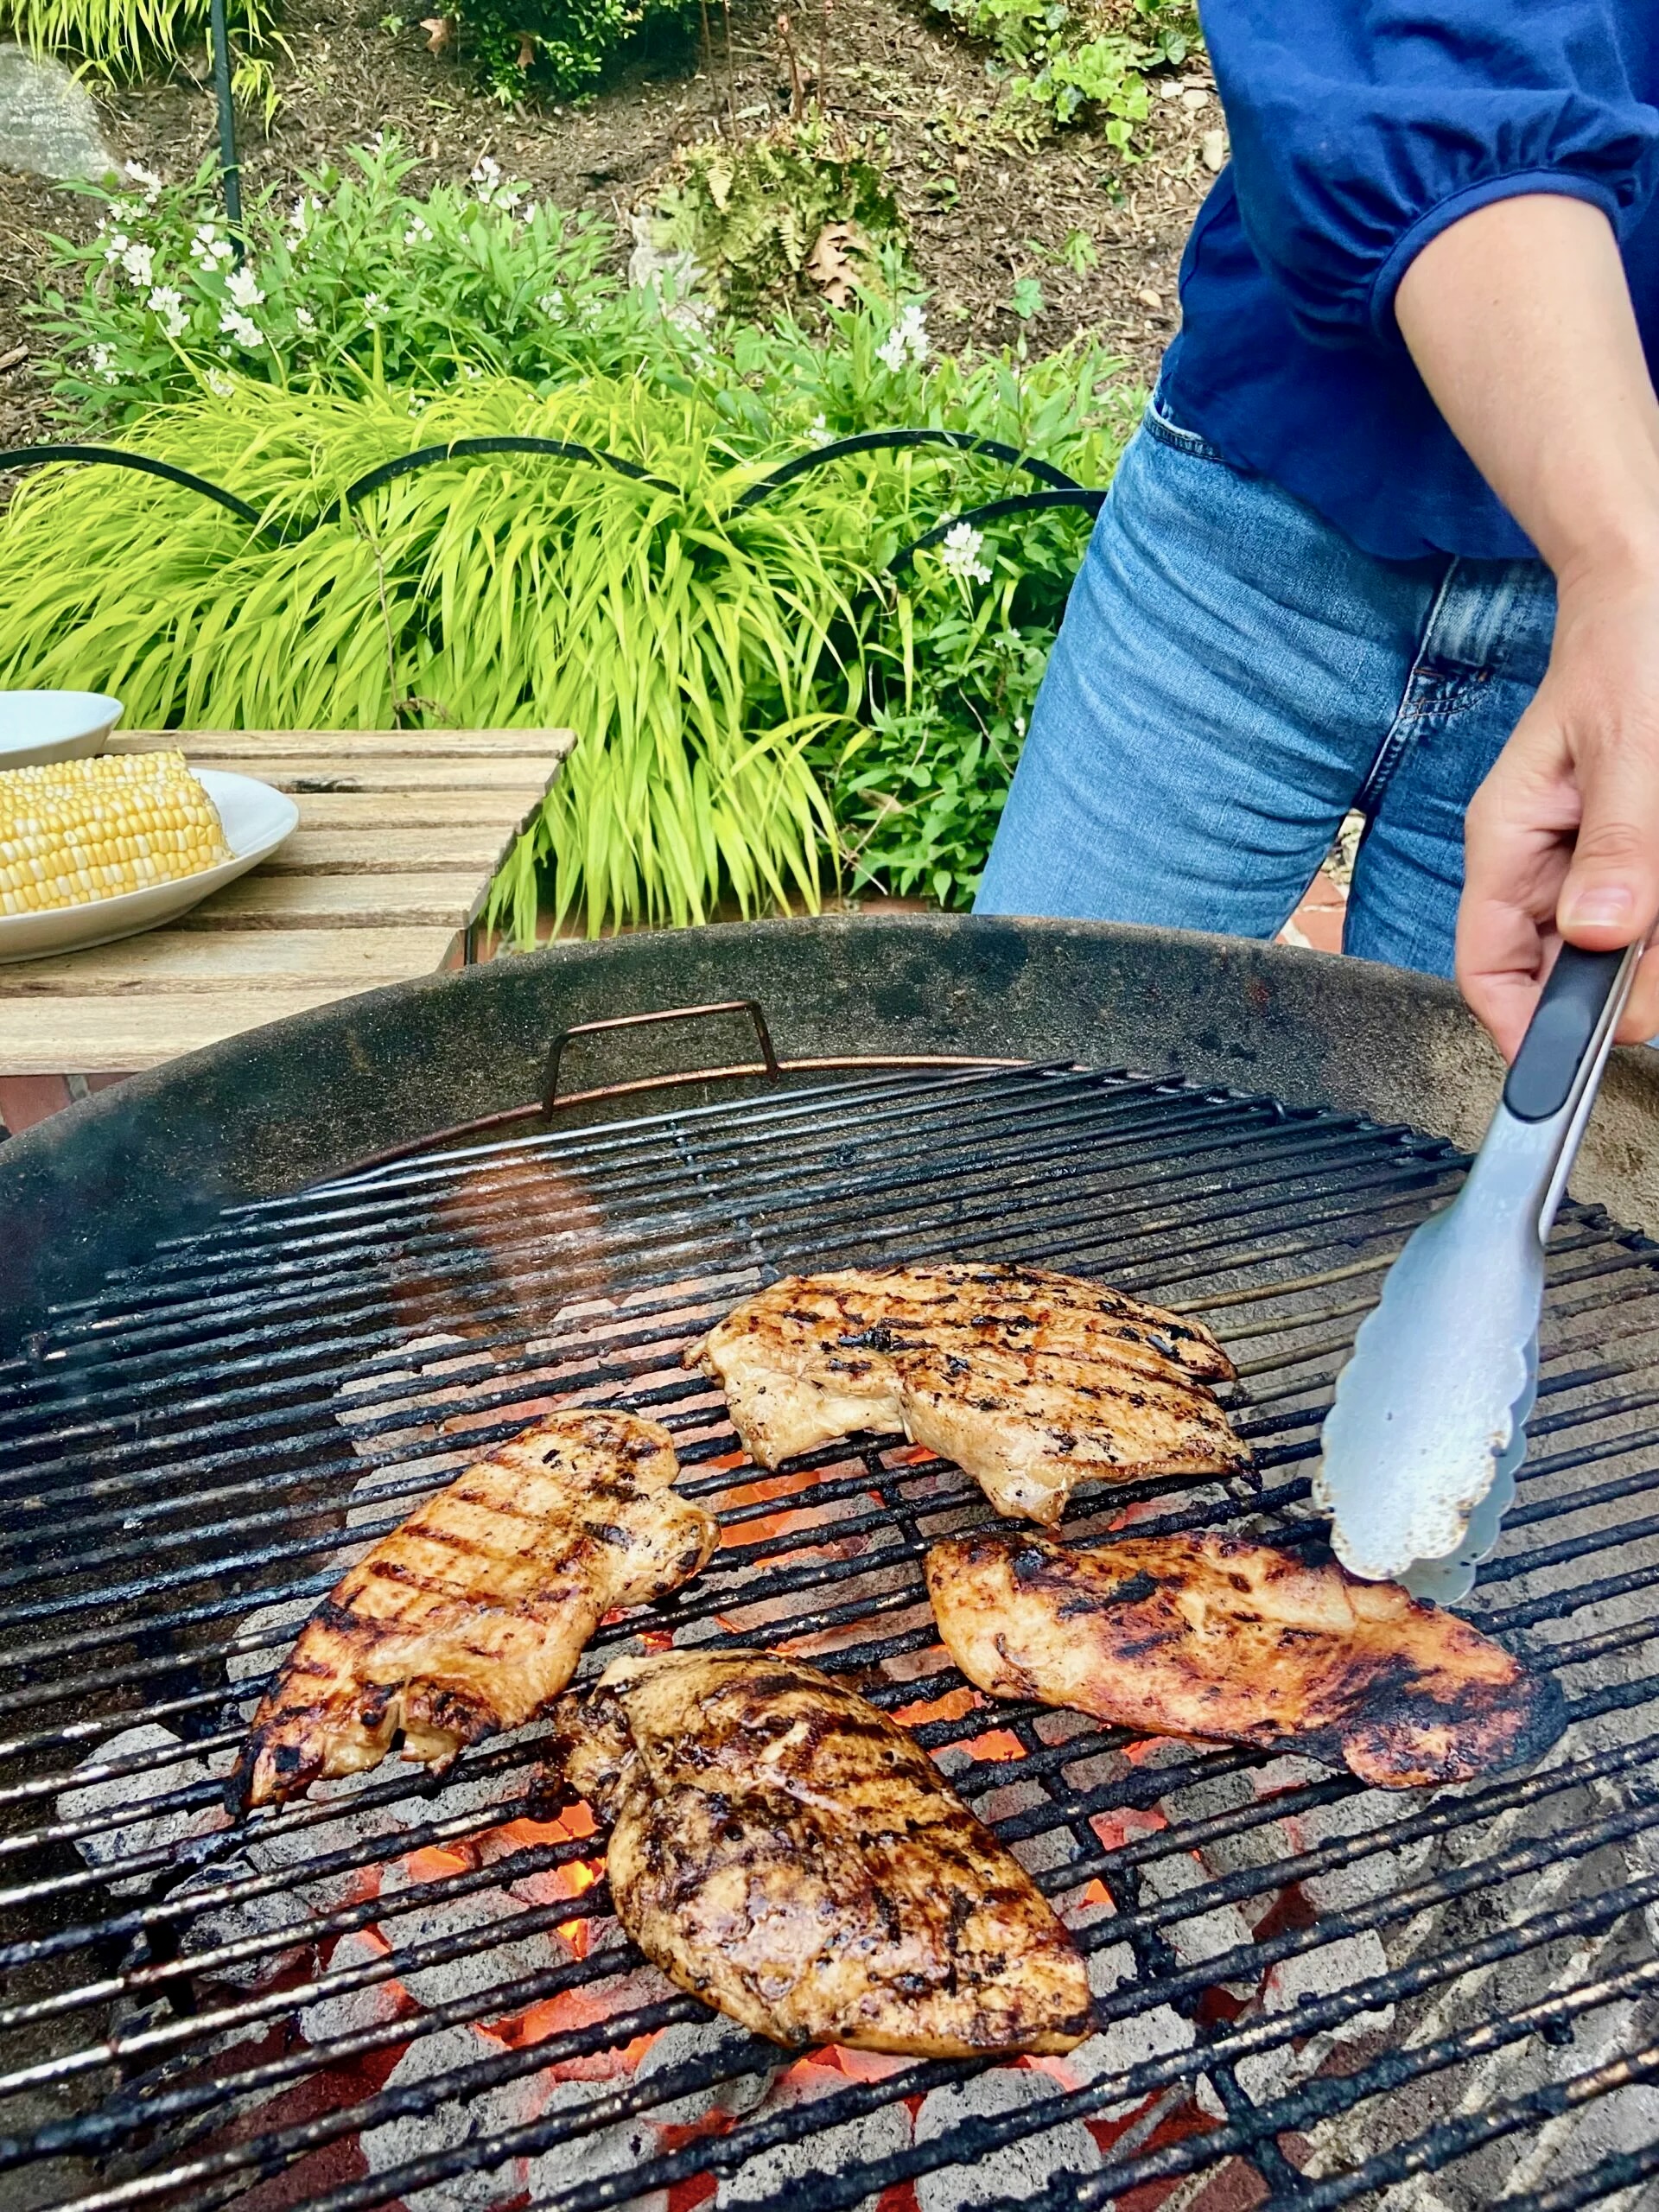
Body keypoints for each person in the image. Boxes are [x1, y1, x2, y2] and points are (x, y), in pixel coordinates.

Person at [974, 1, 1659, 1059]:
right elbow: (1437, 68)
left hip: (1625, 651)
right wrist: (1626, 561)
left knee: (1482, 1145)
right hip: (1256, 537)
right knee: (1032, 1093)